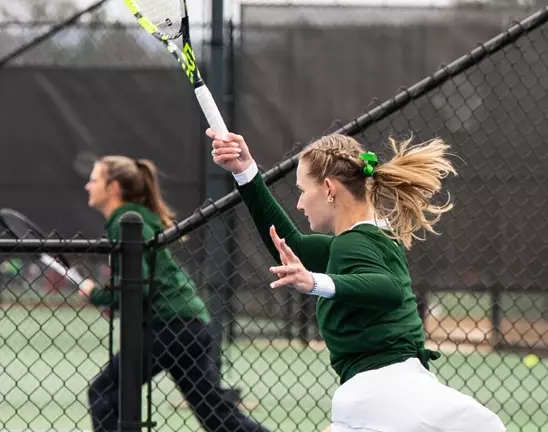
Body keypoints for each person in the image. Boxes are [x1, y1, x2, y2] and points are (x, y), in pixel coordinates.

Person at [208, 130, 506, 432]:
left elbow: (387, 289)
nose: (299, 204)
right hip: (382, 396)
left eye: (302, 190)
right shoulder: (358, 243)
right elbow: (289, 246)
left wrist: (315, 282)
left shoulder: (357, 243)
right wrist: (246, 171)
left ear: (328, 189)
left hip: (385, 397)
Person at [77, 155, 271, 432]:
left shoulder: (126, 223)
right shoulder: (136, 220)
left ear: (114, 187)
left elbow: (138, 286)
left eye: (94, 180)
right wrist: (111, 297)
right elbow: (138, 287)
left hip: (167, 327)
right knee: (213, 411)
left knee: (104, 392)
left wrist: (97, 294)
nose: (88, 186)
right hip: (190, 324)